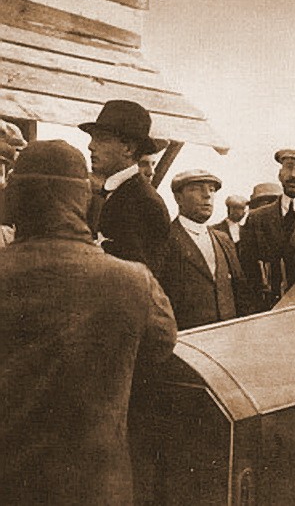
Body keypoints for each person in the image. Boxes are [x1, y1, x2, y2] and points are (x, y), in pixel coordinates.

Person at [0, 140, 177, 504]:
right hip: (96, 487)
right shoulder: (134, 281)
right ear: (83, 199)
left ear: (14, 197)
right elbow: (159, 349)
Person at [156, 170, 254, 330]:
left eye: (212, 189)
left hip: (230, 336)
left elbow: (241, 294)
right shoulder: (163, 241)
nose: (207, 195)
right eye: (196, 188)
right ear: (178, 198)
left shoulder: (223, 240)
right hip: (187, 340)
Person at [79, 100, 171, 270]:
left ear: (128, 149)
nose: (91, 146)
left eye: (102, 139)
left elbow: (142, 276)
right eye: (92, 138)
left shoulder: (144, 202)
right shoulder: (114, 192)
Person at [239, 149, 295, 311]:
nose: (293, 174)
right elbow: (245, 274)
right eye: (288, 167)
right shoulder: (256, 219)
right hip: (265, 313)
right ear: (280, 174)